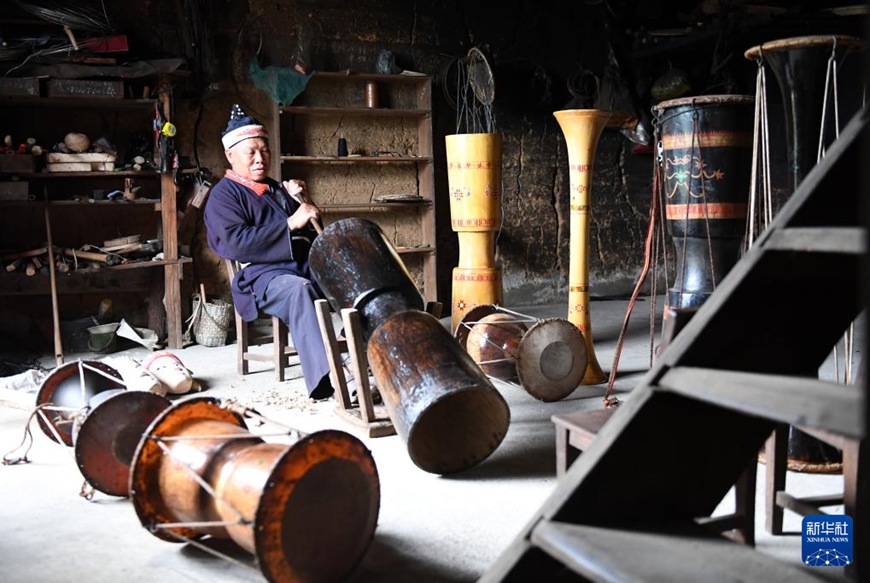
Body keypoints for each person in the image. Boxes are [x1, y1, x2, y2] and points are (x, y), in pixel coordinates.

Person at [203, 104, 334, 400]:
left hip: (300, 264)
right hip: (263, 276)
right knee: (299, 290)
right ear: (230, 156)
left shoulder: (277, 189)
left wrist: (303, 200)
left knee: (351, 274)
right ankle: (329, 378)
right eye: (251, 152)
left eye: (265, 151)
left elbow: (314, 234)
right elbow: (235, 242)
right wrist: (290, 222)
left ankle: (371, 354)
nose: (260, 159)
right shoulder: (223, 195)